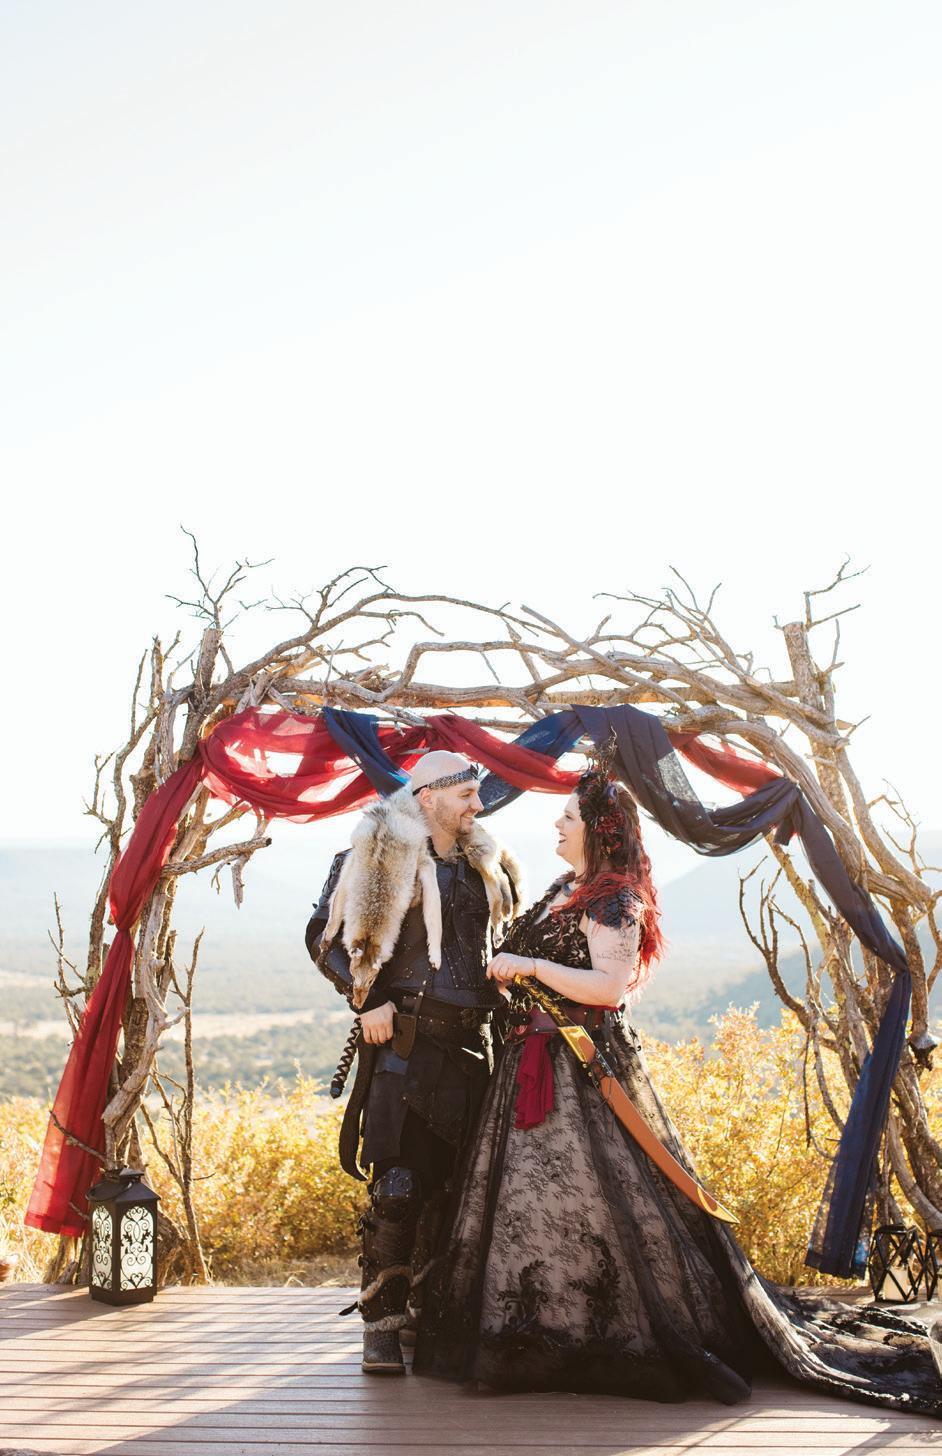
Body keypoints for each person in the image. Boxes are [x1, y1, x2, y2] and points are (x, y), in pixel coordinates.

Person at [414, 767, 942, 1415]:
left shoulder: (615, 900)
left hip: (582, 1075)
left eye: (569, 817)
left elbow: (608, 988)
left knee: (596, 1201)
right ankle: (537, 1329)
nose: (557, 823)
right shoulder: (563, 888)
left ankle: (595, 1336)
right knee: (538, 1206)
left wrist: (526, 965)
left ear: (599, 832)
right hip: (529, 1067)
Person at [306, 750, 521, 1375]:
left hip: (477, 1046)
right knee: (398, 1188)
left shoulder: (488, 864)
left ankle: (430, 1313)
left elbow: (500, 942)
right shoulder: (372, 856)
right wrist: (368, 998)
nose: (478, 805)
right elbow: (323, 938)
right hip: (406, 1043)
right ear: (427, 797)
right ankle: (380, 1323)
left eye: (477, 795)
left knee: (455, 1189)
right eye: (466, 795)